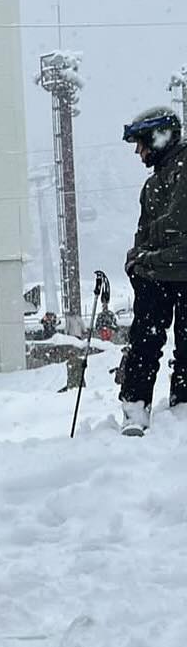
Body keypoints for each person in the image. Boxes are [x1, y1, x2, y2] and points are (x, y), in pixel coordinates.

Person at [117, 106, 187, 434]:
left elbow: (176, 227)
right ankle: (135, 408)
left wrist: (145, 256)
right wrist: (138, 258)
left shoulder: (183, 169)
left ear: (160, 138)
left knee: (183, 344)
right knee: (144, 344)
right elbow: (145, 232)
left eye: (142, 142)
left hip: (180, 272)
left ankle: (182, 404)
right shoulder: (153, 184)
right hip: (157, 275)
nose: (138, 151)